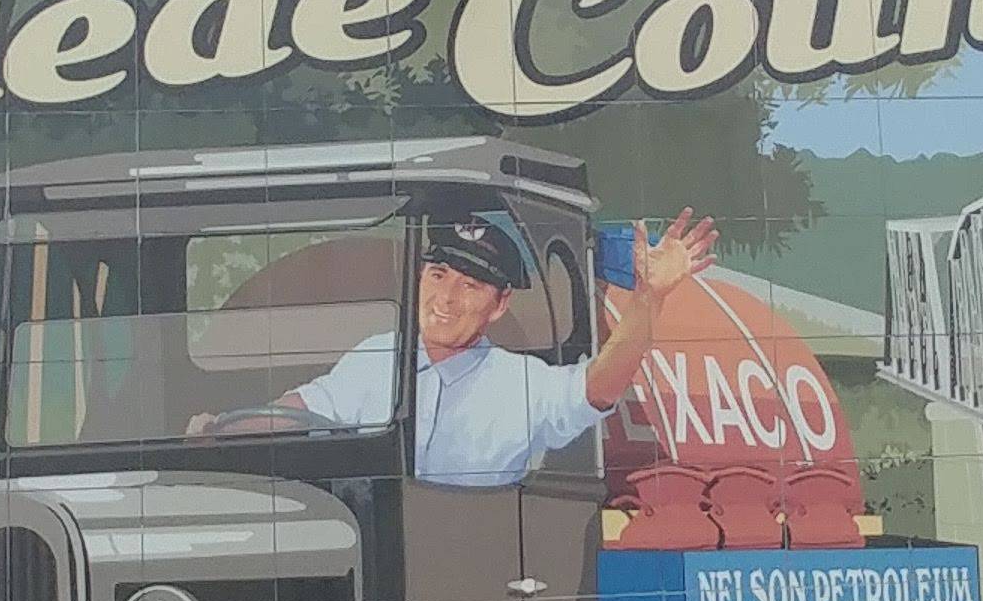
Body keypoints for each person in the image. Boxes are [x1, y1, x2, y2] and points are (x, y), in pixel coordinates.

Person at [278, 207, 716, 488]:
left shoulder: (518, 382)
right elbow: (299, 411)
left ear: (500, 303)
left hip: (479, 563)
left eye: (470, 285)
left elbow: (598, 388)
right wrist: (236, 428)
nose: (446, 299)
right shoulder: (376, 357)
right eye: (438, 276)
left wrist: (649, 299)